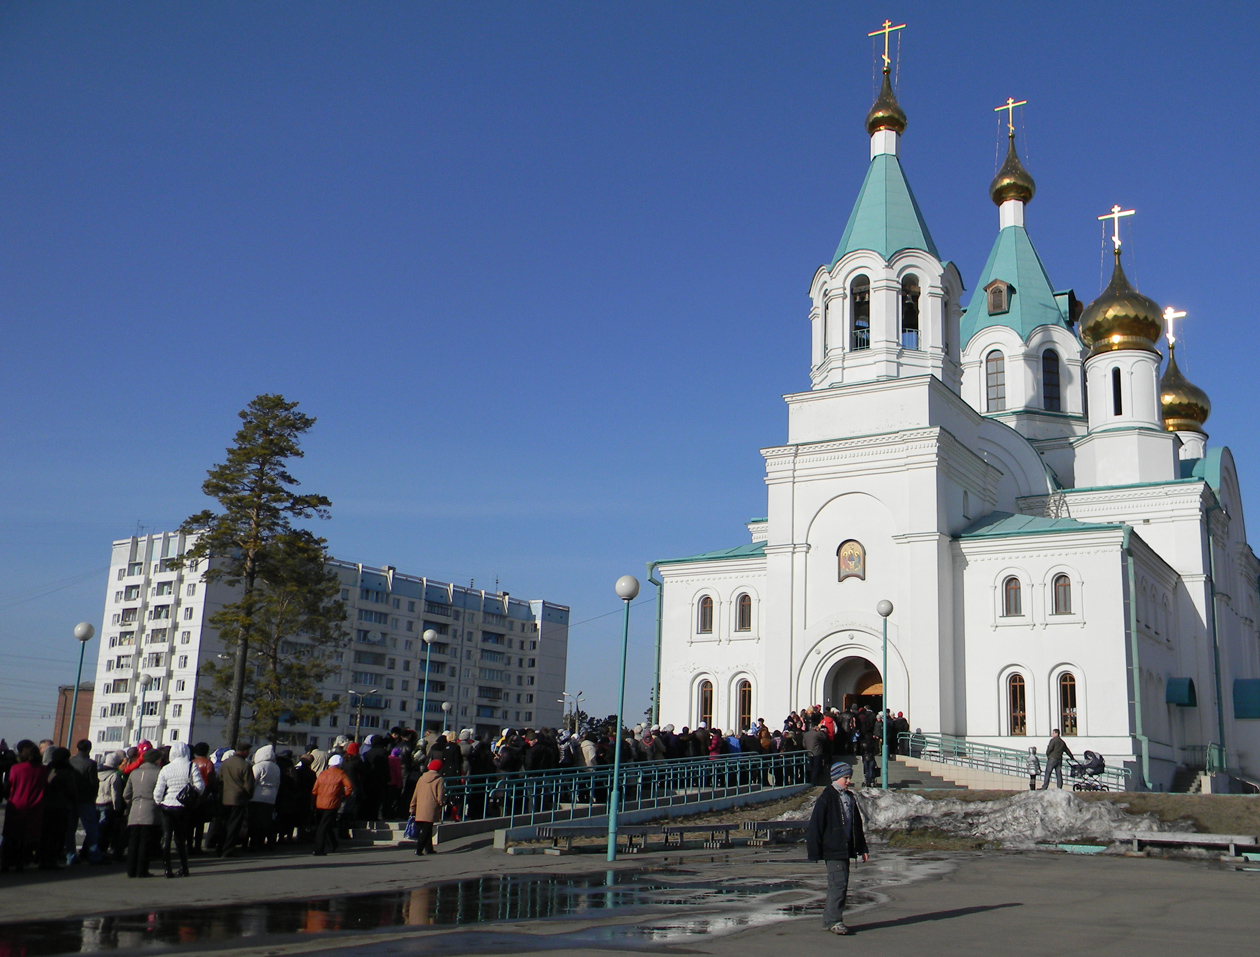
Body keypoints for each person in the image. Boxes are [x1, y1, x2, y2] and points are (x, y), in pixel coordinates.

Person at [806, 761, 869, 936]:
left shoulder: (849, 798)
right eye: (845, 777)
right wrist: (814, 850)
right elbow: (816, 825)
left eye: (849, 777)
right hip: (833, 848)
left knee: (840, 883)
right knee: (838, 884)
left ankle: (830, 919)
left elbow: (856, 825)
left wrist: (862, 848)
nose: (848, 781)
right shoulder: (827, 797)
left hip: (844, 848)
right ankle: (834, 920)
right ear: (835, 778)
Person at [153, 741, 204, 877]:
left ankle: (167, 869)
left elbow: (158, 791)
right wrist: (192, 796)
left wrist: (159, 802)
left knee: (166, 837)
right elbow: (200, 786)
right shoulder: (191, 766)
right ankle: (184, 867)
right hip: (183, 807)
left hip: (167, 805)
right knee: (180, 839)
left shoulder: (166, 768)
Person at [0, 740, 47, 873]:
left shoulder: (16, 768)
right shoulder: (43, 770)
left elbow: (8, 786)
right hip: (35, 807)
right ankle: (20, 863)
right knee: (26, 838)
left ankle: (6, 863)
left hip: (16, 805)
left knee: (10, 836)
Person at [123, 749, 162, 878]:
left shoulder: (134, 773)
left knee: (133, 841)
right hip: (150, 808)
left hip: (135, 808)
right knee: (145, 841)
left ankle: (131, 869)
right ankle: (142, 870)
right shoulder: (158, 772)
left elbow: (126, 794)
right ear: (157, 760)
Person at [68, 739, 103, 863]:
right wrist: (94, 795)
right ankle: (94, 856)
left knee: (70, 829)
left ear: (77, 748)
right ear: (89, 749)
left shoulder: (70, 762)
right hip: (86, 799)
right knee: (91, 828)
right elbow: (93, 782)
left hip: (71, 799)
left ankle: (71, 856)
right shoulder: (90, 764)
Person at [311, 753, 354, 855]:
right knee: (324, 826)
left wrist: (312, 802)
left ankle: (332, 844)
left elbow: (315, 789)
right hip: (332, 803)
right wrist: (344, 797)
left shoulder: (323, 774)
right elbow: (349, 787)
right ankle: (319, 849)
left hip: (319, 802)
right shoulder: (341, 774)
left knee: (324, 825)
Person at [217, 742, 254, 857]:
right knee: (234, 825)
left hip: (225, 796)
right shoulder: (245, 765)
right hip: (238, 798)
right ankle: (228, 850)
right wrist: (248, 796)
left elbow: (219, 779)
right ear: (245, 752)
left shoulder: (225, 764)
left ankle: (219, 847)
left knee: (224, 824)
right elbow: (249, 785)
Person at [408, 759, 445, 855]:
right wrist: (441, 804)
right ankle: (419, 848)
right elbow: (440, 795)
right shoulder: (439, 779)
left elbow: (415, 793)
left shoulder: (421, 778)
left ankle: (429, 848)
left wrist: (412, 806)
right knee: (426, 829)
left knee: (426, 828)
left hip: (420, 807)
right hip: (431, 807)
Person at [248, 744, 280, 850]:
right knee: (266, 821)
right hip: (271, 797)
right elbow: (278, 783)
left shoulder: (258, 766)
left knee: (255, 821)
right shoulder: (276, 767)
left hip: (257, 796)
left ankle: (254, 843)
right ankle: (265, 842)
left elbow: (253, 781)